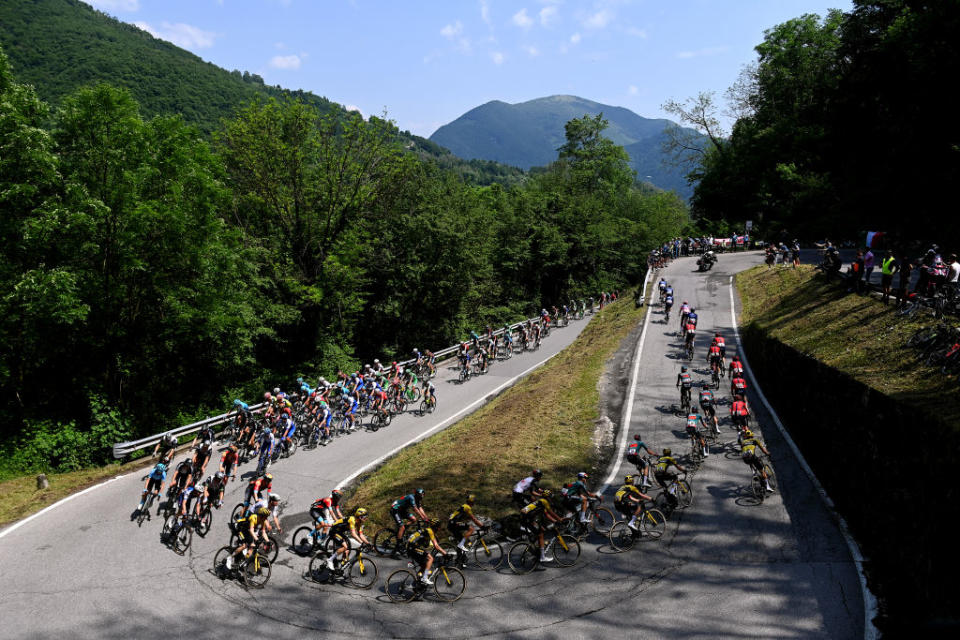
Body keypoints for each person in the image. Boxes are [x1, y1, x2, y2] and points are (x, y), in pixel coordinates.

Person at [519, 490, 563, 563]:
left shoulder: (541, 501)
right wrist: (560, 519)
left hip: (525, 517)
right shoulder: (544, 501)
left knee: (542, 530)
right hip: (527, 519)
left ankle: (534, 550)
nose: (551, 499)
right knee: (540, 535)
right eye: (550, 497)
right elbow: (551, 512)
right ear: (547, 497)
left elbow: (547, 514)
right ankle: (542, 557)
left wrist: (555, 521)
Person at [225, 506, 272, 571]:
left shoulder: (262, 520)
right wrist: (257, 539)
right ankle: (230, 557)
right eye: (266, 516)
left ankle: (244, 561)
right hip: (240, 528)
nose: (266, 518)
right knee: (245, 545)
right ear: (261, 516)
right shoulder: (253, 518)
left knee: (252, 547)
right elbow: (251, 531)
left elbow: (264, 532)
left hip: (247, 530)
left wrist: (268, 541)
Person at [405, 518, 447, 584]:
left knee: (424, 566)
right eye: (439, 527)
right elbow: (436, 546)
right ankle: (425, 578)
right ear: (436, 527)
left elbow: (426, 545)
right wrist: (445, 553)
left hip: (411, 546)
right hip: (412, 547)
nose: (440, 529)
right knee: (430, 558)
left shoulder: (427, 530)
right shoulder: (430, 531)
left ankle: (416, 583)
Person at [448, 494, 484, 563]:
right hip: (454, 523)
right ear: (471, 501)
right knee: (471, 529)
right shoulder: (467, 507)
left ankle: (460, 560)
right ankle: (461, 545)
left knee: (461, 539)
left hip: (451, 523)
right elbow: (474, 519)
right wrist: (482, 527)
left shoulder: (465, 506)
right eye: (474, 501)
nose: (474, 502)